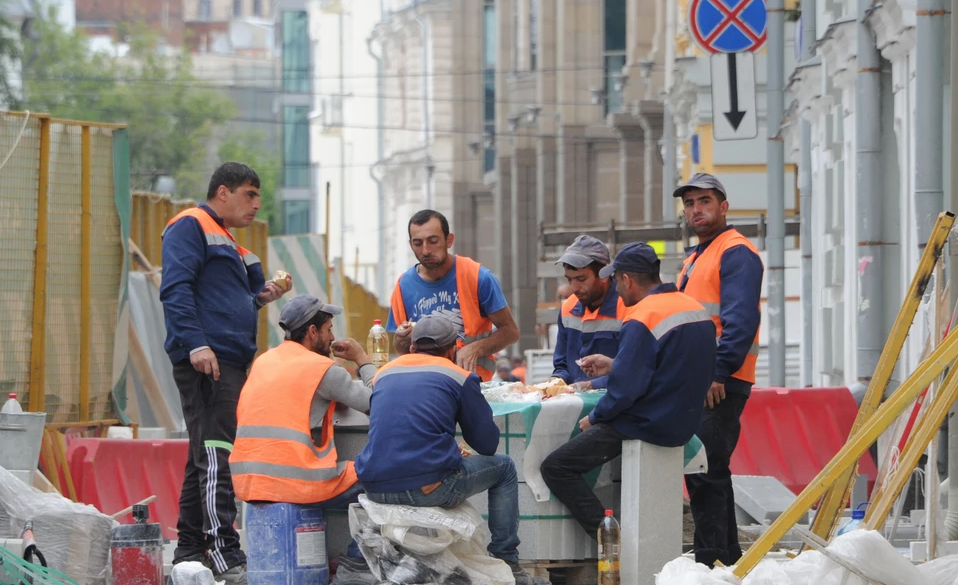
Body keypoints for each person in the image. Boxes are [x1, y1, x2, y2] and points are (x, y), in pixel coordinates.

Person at [159, 162, 291, 583]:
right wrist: (197, 344)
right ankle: (223, 552)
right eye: (250, 194)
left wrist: (263, 295)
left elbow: (227, 301)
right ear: (222, 192)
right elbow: (175, 289)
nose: (256, 204)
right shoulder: (190, 225)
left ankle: (189, 551)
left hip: (224, 359)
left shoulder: (229, 242)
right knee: (217, 452)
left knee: (204, 456)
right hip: (208, 360)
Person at [539, 243, 716, 540]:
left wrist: (594, 418)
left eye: (617, 281)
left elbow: (625, 391)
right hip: (684, 422)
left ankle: (609, 539)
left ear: (627, 279)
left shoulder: (642, 316)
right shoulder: (693, 308)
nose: (617, 290)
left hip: (645, 423)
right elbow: (668, 366)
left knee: (555, 467)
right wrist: (615, 365)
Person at [355, 315, 549, 585]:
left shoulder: (384, 372)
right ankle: (508, 562)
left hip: (373, 486)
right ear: (453, 349)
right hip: (427, 486)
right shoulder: (459, 376)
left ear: (411, 347)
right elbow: (487, 444)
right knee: (504, 467)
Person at [229, 295, 376, 585]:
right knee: (381, 478)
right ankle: (354, 569)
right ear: (312, 332)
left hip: (249, 483)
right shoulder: (321, 369)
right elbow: (379, 402)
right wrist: (363, 360)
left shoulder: (263, 362)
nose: (333, 336)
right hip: (292, 483)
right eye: (329, 329)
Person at [674, 173, 764, 568]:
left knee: (704, 469)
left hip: (719, 381)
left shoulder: (735, 252)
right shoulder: (697, 256)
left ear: (723, 207)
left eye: (705, 201)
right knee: (711, 470)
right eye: (690, 203)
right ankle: (726, 560)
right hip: (701, 379)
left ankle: (710, 561)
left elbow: (740, 322)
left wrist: (718, 373)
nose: (697, 210)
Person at [387, 209, 520, 381]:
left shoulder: (477, 277)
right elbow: (401, 347)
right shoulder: (403, 286)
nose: (426, 250)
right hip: (425, 384)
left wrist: (475, 349)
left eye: (433, 241)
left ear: (449, 240)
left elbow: (511, 332)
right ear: (410, 244)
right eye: (418, 243)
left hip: (470, 382)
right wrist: (400, 339)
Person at [547, 235, 627, 391]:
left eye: (581, 279)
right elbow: (562, 364)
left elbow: (634, 371)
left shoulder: (628, 307)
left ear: (604, 274)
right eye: (569, 280)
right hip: (575, 404)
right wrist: (555, 381)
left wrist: (591, 386)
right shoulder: (568, 308)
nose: (574, 288)